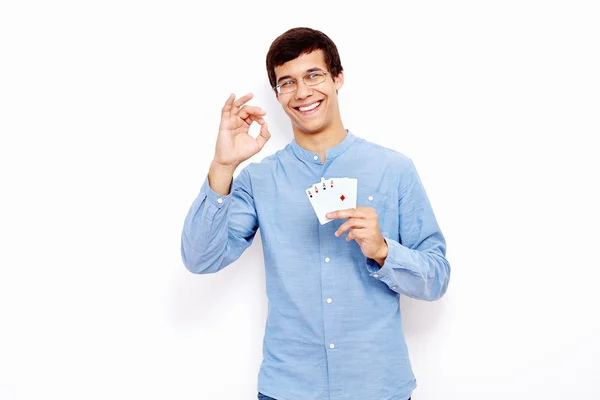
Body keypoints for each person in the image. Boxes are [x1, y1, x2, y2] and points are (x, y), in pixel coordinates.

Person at [181, 27, 450, 400]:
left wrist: (384, 250)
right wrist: (222, 166)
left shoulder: (394, 169)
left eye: (313, 75)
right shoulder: (259, 179)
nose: (302, 92)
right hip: (288, 388)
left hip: (377, 387)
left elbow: (437, 280)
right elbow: (200, 259)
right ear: (276, 95)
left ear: (337, 78)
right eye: (286, 82)